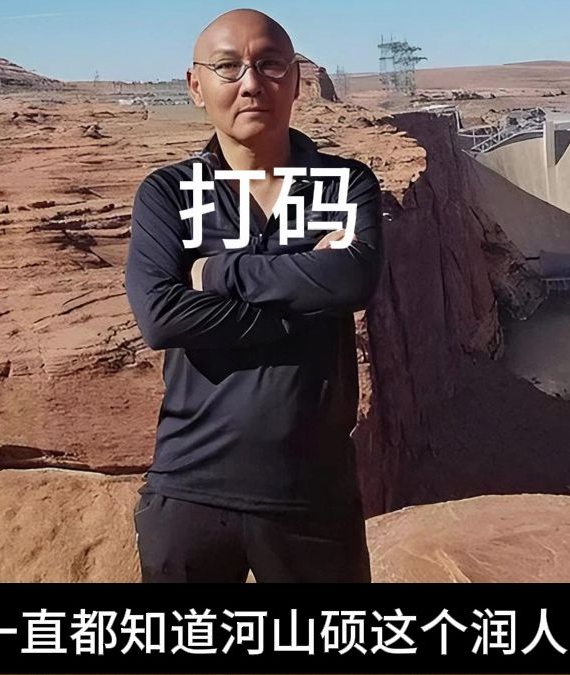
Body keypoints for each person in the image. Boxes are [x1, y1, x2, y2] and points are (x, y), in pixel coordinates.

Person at [123, 8, 384, 582]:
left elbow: (353, 280)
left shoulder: (345, 184)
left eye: (269, 64)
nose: (251, 83)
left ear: (296, 80)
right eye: (227, 67)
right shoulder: (170, 193)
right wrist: (304, 304)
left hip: (312, 497)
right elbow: (162, 317)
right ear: (196, 86)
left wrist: (216, 274)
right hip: (190, 489)